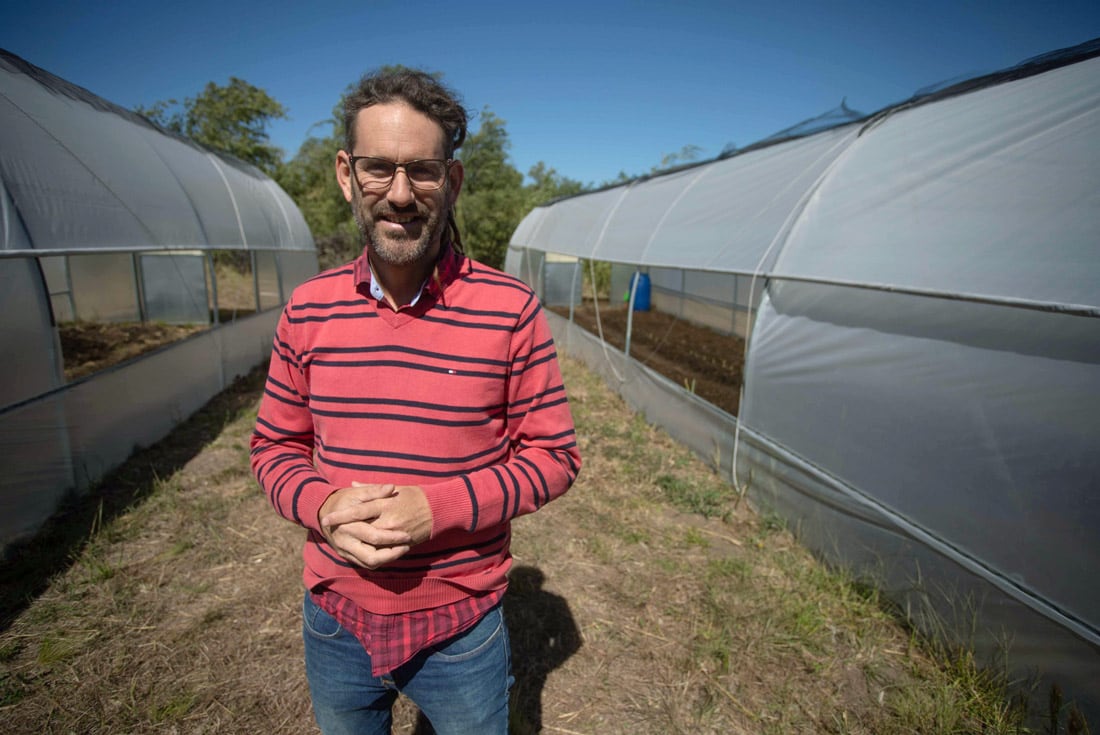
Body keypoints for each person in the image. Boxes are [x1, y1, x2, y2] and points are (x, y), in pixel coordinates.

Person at [250, 68, 581, 734]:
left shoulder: (509, 310)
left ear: (451, 182)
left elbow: (554, 455)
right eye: (378, 168)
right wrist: (323, 504)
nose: (400, 195)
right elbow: (273, 445)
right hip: (335, 614)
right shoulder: (308, 309)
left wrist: (440, 508)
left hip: (462, 625)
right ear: (346, 174)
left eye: (422, 171)